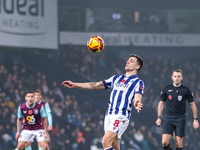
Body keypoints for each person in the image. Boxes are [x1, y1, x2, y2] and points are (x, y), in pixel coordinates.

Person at [62, 54, 144, 150]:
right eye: (128, 60)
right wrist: (75, 84)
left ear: (137, 67)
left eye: (131, 61)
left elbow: (138, 95)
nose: (127, 62)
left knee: (105, 142)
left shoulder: (138, 82)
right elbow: (95, 85)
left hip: (121, 115)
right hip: (109, 115)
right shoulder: (115, 78)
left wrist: (137, 102)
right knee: (114, 145)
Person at [155, 69, 199, 150]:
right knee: (164, 142)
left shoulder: (186, 90)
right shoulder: (167, 89)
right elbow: (161, 103)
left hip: (180, 118)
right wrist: (159, 117)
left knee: (178, 143)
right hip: (168, 118)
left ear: (182, 78)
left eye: (178, 76)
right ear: (172, 77)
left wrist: (195, 119)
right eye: (175, 76)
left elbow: (192, 104)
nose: (176, 78)